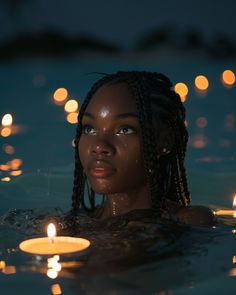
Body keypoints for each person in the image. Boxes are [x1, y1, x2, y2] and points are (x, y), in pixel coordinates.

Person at [70, 71, 216, 226]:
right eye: (89, 129)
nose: (99, 146)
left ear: (164, 141)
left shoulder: (189, 221)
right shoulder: (75, 223)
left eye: (125, 129)